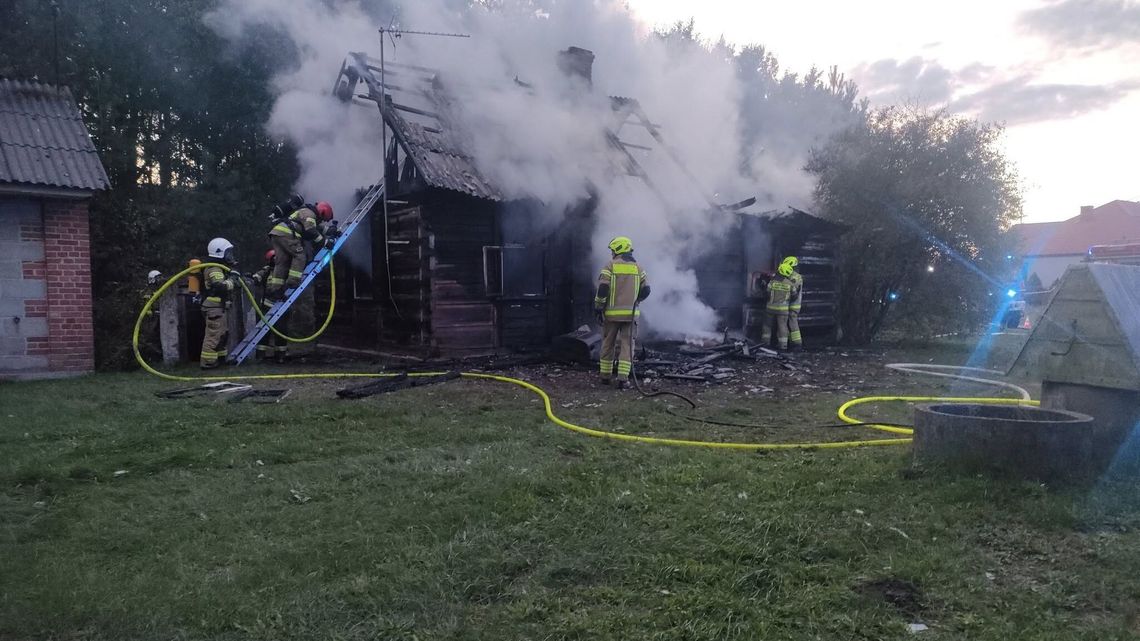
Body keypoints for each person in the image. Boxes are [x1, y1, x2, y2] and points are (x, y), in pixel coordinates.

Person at [594, 236, 650, 388]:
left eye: (613, 250)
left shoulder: (610, 266)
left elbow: (603, 288)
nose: (611, 253)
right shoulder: (639, 267)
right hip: (630, 316)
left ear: (618, 249)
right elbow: (646, 290)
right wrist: (636, 300)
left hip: (611, 315)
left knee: (607, 344)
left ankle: (605, 377)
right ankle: (622, 379)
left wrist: (599, 306)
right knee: (627, 345)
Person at [266, 200, 336, 301]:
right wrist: (325, 242)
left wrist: (331, 231)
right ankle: (293, 281)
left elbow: (316, 228)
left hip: (277, 233)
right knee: (300, 256)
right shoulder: (310, 214)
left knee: (282, 262)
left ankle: (276, 290)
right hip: (287, 234)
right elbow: (311, 231)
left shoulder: (307, 212)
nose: (322, 221)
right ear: (322, 212)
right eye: (323, 219)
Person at [200, 237, 242, 369]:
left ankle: (221, 359)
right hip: (214, 308)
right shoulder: (214, 269)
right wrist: (233, 280)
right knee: (214, 335)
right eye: (228, 253)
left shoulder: (220, 268)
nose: (230, 256)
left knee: (222, 334)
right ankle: (208, 363)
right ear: (220, 253)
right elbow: (220, 286)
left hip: (218, 308)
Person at [250, 249, 288, 363]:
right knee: (263, 332)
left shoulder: (286, 271)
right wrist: (253, 278)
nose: (276, 261)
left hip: (282, 306)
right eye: (273, 259)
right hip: (267, 306)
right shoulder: (266, 271)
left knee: (281, 332)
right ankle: (260, 356)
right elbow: (257, 277)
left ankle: (280, 356)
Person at [761, 261, 797, 351]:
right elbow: (794, 296)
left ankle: (765, 344)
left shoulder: (772, 282)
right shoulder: (790, 284)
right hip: (783, 310)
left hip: (770, 308)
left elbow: (767, 293)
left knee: (767, 326)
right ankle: (783, 346)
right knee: (782, 327)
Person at [782, 256, 804, 351]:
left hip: (793, 304)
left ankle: (797, 344)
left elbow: (793, 291)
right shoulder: (796, 276)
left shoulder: (794, 277)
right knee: (788, 323)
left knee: (792, 323)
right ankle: (792, 343)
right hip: (792, 304)